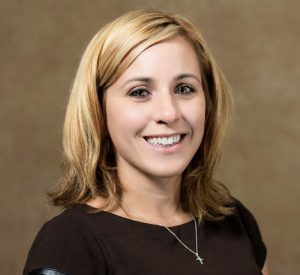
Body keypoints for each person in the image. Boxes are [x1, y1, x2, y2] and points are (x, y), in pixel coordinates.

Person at [23, 8, 268, 275]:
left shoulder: (236, 220)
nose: (169, 113)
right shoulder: (69, 244)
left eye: (184, 89)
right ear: (98, 109)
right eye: (139, 92)